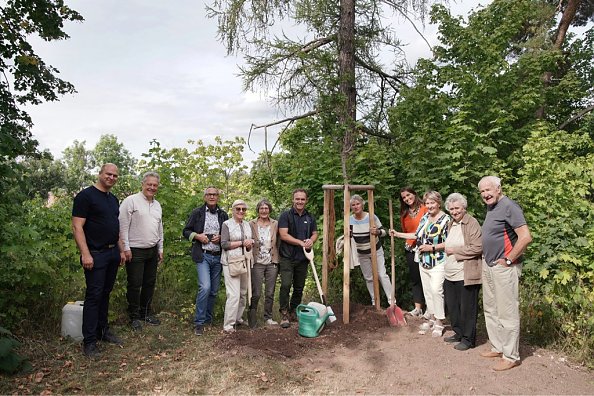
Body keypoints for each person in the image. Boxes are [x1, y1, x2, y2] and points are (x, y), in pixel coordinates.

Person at [72, 163, 126, 358]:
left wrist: (120, 250)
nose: (111, 178)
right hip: (95, 254)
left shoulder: (113, 200)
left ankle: (103, 332)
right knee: (94, 296)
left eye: (115, 175)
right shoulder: (85, 196)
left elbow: (115, 227)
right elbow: (77, 227)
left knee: (105, 293)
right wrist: (85, 253)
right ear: (100, 174)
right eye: (108, 174)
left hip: (112, 254)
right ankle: (89, 342)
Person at [478, 176, 532, 371]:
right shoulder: (492, 208)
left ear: (499, 188)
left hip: (504, 268)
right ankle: (498, 347)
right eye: (482, 191)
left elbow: (525, 237)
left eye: (489, 190)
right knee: (491, 308)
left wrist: (509, 259)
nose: (486, 194)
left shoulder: (509, 206)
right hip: (489, 264)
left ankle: (511, 356)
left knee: (507, 312)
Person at [390, 191, 450, 337]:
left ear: (438, 203)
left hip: (438, 260)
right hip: (423, 261)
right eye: (428, 203)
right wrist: (398, 234)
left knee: (437, 290)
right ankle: (431, 318)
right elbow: (417, 235)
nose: (429, 206)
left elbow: (450, 241)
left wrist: (432, 248)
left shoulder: (446, 219)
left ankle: (440, 321)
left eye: (432, 203)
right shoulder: (424, 218)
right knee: (428, 291)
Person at [119, 171, 164, 331]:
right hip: (135, 250)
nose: (152, 187)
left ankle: (146, 313)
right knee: (135, 284)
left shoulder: (157, 205)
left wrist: (160, 247)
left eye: (155, 185)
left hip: (152, 250)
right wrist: (125, 247)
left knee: (149, 283)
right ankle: (134, 316)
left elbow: (160, 228)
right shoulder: (131, 201)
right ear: (143, 184)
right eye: (149, 184)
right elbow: (123, 226)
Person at [183, 186, 229, 336]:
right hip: (202, 255)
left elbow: (228, 234)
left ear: (218, 197)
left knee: (214, 290)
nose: (212, 197)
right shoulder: (197, 213)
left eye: (214, 194)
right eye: (209, 194)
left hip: (218, 256)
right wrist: (197, 236)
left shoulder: (223, 215)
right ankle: (199, 322)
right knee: (205, 287)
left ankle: (208, 319)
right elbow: (186, 231)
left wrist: (221, 238)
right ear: (204, 197)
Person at [443, 193, 482, 351]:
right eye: (451, 209)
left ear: (464, 208)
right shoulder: (451, 223)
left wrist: (455, 251)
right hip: (450, 272)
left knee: (467, 308)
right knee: (453, 306)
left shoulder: (471, 223)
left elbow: (478, 247)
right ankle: (458, 332)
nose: (454, 211)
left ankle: (468, 339)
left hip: (466, 273)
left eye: (457, 208)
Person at [278, 188, 319, 328]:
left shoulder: (310, 217)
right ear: (293, 200)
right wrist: (300, 242)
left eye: (302, 199)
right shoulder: (285, 216)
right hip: (287, 257)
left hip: (303, 258)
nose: (300, 201)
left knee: (299, 287)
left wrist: (311, 241)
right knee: (285, 285)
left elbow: (315, 233)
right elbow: (283, 235)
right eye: (297, 199)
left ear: (306, 200)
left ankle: (293, 312)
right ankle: (284, 314)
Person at [349, 194, 392, 305]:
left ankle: (392, 301)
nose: (356, 206)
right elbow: (348, 237)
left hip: (376, 251)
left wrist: (377, 232)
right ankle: (375, 302)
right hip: (361, 253)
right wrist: (347, 235)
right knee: (369, 278)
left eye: (358, 204)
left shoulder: (371, 217)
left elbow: (384, 232)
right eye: (353, 205)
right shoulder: (349, 220)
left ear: (362, 204)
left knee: (382, 274)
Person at [221, 200, 254, 333]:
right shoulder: (226, 224)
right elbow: (224, 244)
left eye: (243, 209)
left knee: (243, 293)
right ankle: (228, 324)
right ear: (233, 210)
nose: (241, 211)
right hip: (231, 262)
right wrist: (241, 243)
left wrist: (250, 242)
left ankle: (238, 318)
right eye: (238, 209)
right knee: (233, 294)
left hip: (245, 261)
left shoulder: (247, 225)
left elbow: (251, 241)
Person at [249, 199, 280, 326]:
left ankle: (268, 317)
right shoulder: (251, 224)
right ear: (258, 210)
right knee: (256, 292)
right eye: (261, 208)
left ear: (270, 210)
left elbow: (280, 240)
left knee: (270, 292)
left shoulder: (275, 223)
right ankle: (252, 317)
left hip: (272, 262)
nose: (264, 210)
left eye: (266, 208)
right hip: (257, 262)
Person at [399, 187, 428, 316]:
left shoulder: (425, 209)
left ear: (414, 194)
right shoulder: (404, 214)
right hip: (411, 249)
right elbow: (406, 232)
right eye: (404, 197)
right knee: (415, 279)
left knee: (428, 278)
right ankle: (418, 308)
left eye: (408, 195)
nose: (407, 199)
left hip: (425, 248)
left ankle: (430, 309)